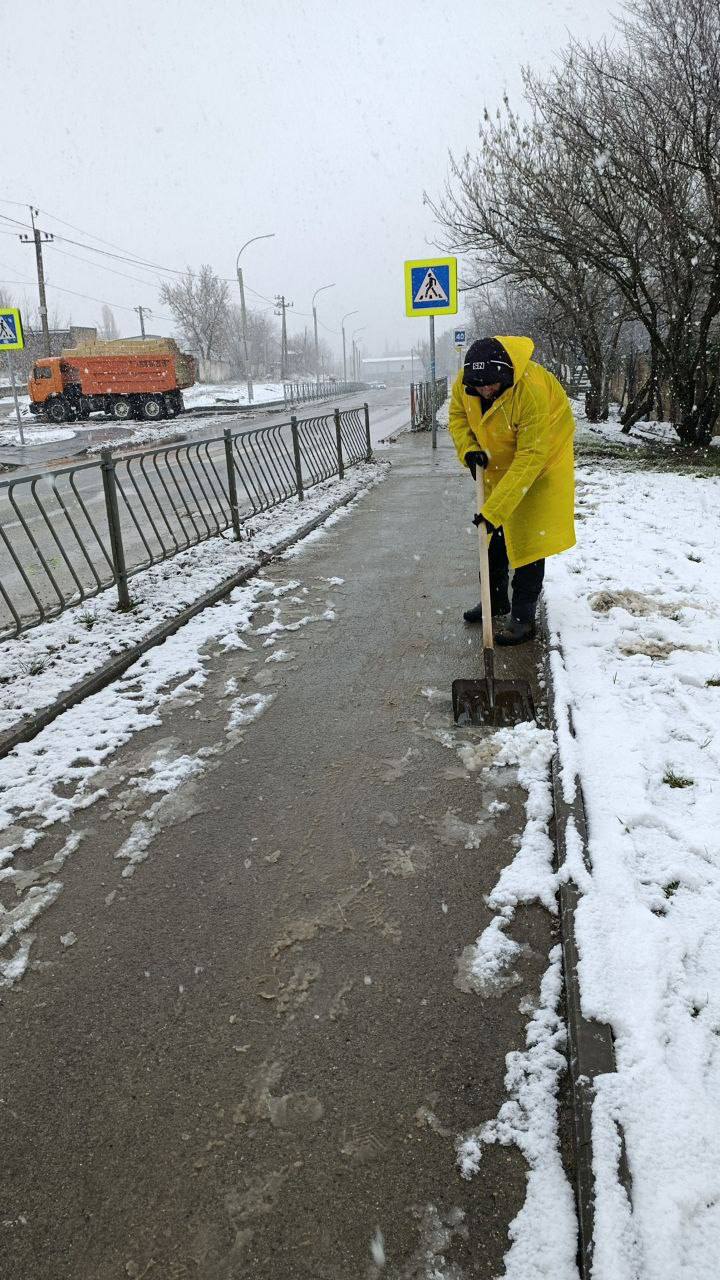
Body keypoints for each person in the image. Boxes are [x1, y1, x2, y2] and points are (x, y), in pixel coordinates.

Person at [448, 335, 575, 644]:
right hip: (498, 460)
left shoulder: (530, 390)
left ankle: (523, 618)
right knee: (492, 538)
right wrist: (469, 448)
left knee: (529, 540)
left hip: (543, 461)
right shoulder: (467, 382)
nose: (484, 391)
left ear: (505, 375)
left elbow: (532, 456)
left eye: (490, 386)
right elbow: (457, 417)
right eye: (478, 387)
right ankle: (494, 602)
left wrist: (493, 512)